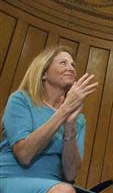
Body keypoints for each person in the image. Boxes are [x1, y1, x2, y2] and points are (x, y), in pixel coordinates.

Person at [0, 46, 98, 193]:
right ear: (44, 73)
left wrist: (70, 125)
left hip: (54, 185)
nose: (71, 68)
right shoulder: (21, 99)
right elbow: (24, 154)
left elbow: (70, 174)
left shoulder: (79, 119)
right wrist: (64, 111)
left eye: (73, 65)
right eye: (63, 63)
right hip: (10, 179)